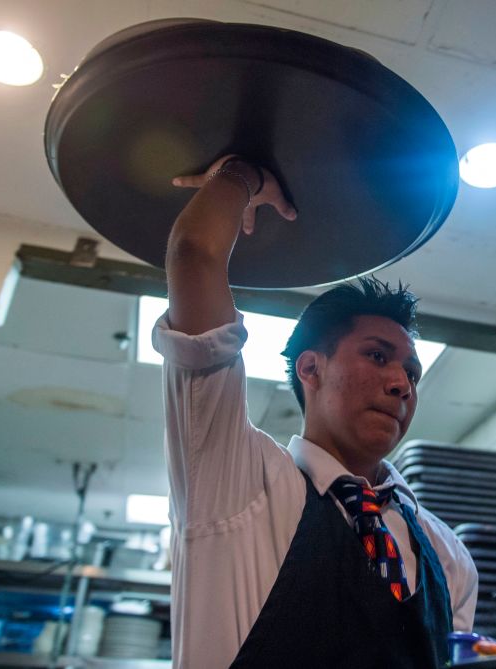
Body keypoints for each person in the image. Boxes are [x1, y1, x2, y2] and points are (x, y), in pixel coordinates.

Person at [151, 154, 478, 669]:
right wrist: (242, 174)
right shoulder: (236, 479)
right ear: (310, 369)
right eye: (377, 356)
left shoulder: (448, 555)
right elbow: (194, 253)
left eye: (412, 374)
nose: (401, 383)